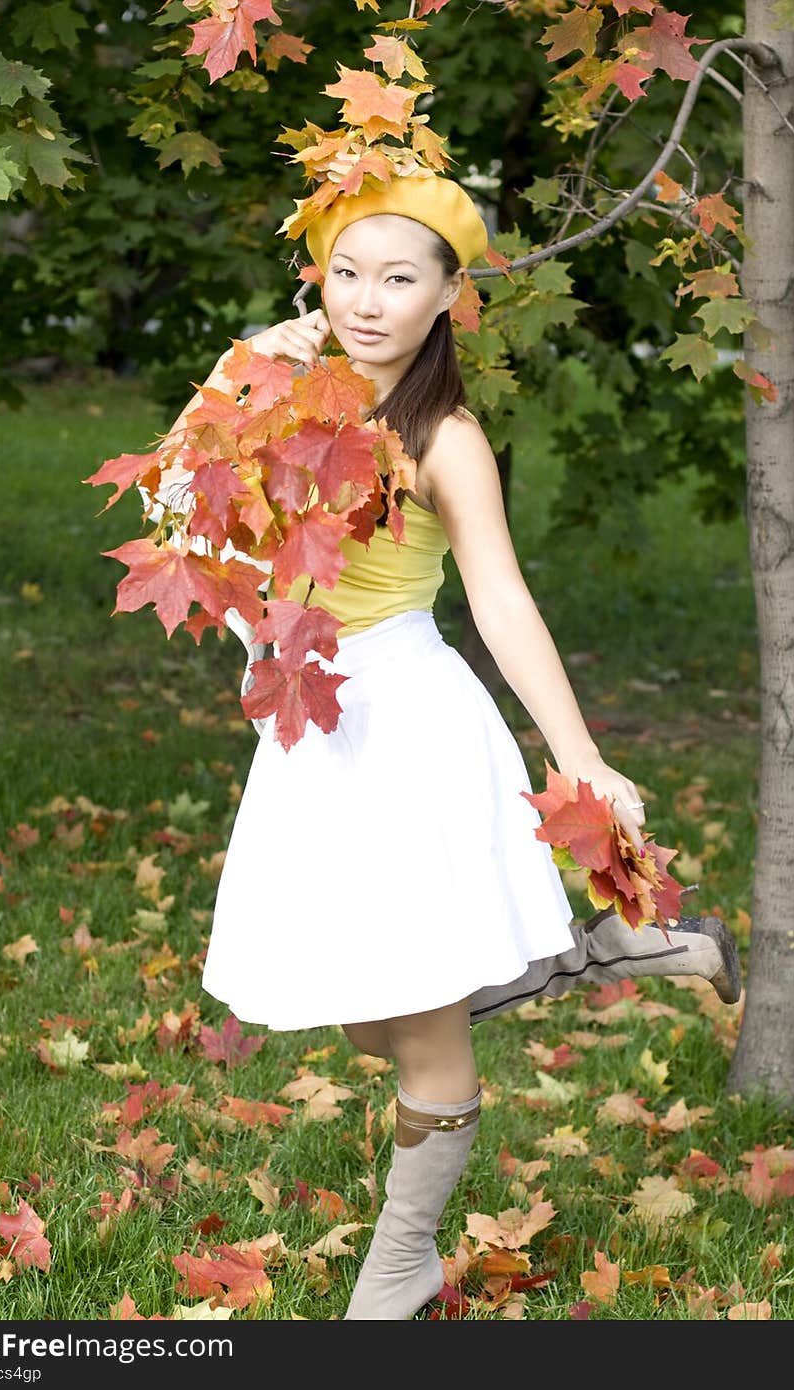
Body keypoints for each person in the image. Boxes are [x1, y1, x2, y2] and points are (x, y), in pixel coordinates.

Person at [152, 172, 741, 1320]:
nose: (367, 301)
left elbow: (501, 603)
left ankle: (404, 1258)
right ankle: (607, 954)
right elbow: (175, 515)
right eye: (348, 271)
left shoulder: (442, 434)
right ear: (314, 274)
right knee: (372, 1009)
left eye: (400, 277)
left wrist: (579, 754)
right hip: (302, 719)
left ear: (447, 296)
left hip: (404, 723)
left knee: (420, 1030)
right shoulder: (262, 387)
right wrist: (230, 376)